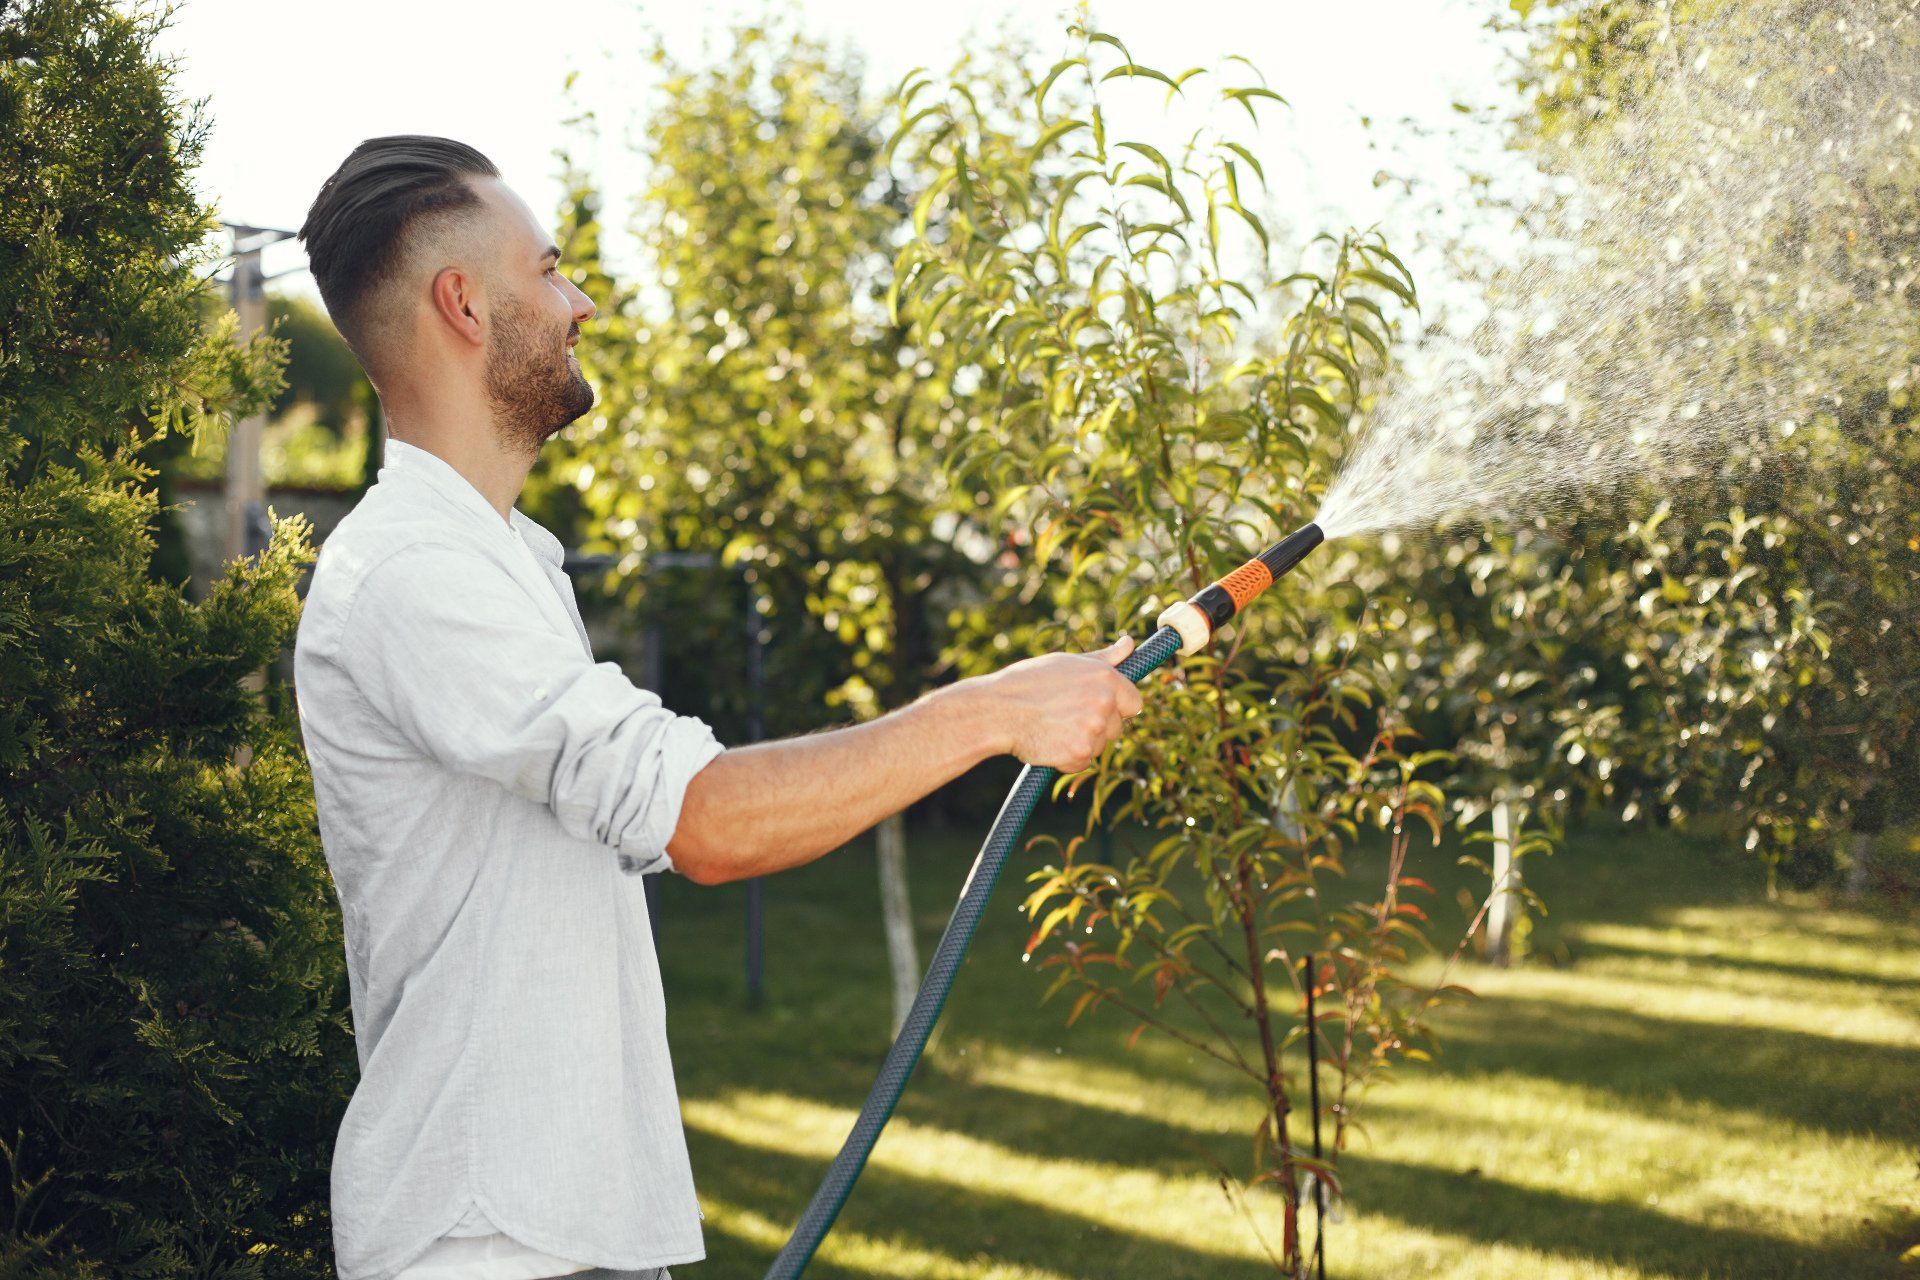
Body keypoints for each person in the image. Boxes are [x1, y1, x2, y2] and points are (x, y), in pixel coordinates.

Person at [290, 135, 1143, 1280]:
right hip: (486, 1236)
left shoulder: (504, 563)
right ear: (464, 305)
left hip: (554, 1223)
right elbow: (705, 820)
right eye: (547, 271)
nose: (581, 300)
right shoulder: (411, 574)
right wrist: (989, 711)